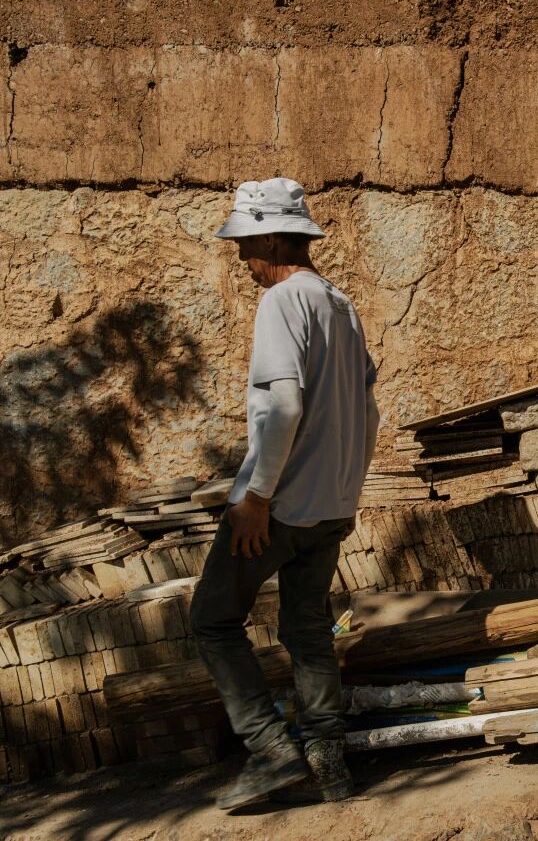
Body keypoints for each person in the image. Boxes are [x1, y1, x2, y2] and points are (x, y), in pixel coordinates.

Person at [190, 177, 379, 810]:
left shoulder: (281, 301)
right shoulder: (340, 302)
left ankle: (273, 750)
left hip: (279, 507)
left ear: (271, 238)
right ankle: (328, 761)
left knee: (213, 621)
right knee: (307, 629)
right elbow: (367, 411)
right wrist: (346, 489)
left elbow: (281, 403)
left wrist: (256, 498)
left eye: (245, 245)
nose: (243, 261)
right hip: (331, 506)